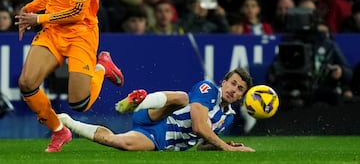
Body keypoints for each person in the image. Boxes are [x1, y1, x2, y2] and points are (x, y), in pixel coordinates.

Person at [14, 0, 124, 153]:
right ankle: (59, 131)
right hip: (53, 31)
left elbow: (77, 12)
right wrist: (29, 8)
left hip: (80, 33)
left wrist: (39, 18)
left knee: (80, 104)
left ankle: (102, 67)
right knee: (26, 83)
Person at [58, 67, 255, 152]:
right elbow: (198, 127)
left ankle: (67, 122)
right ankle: (137, 104)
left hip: (161, 139)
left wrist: (221, 145)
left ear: (241, 97)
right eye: (232, 83)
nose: (233, 90)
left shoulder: (227, 117)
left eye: (239, 89)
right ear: (224, 82)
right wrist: (226, 148)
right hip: (159, 116)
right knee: (182, 98)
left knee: (117, 142)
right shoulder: (209, 89)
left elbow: (200, 144)